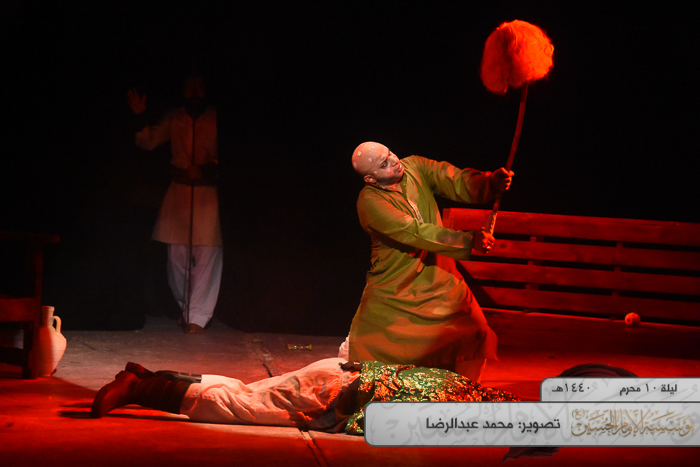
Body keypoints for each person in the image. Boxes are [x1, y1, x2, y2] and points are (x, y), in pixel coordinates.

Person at [342, 142, 514, 382]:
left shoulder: (415, 166)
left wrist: (488, 183)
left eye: (390, 153)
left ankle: (465, 391)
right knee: (374, 342)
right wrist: (467, 240)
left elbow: (453, 179)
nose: (394, 161)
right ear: (370, 179)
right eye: (384, 164)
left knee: (474, 329)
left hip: (438, 271)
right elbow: (414, 232)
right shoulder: (370, 202)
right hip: (398, 281)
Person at [90, 358, 521, 434]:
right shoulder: (452, 410)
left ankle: (149, 376)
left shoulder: (464, 386)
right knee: (235, 406)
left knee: (244, 392)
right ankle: (139, 389)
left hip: (335, 373)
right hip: (330, 394)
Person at [127, 75, 222, 334]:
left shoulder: (215, 118)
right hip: (179, 196)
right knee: (176, 259)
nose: (194, 92)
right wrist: (140, 116)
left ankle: (198, 318)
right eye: (190, 86)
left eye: (199, 86)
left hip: (207, 196)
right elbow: (148, 141)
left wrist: (206, 169)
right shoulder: (175, 117)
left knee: (206, 256)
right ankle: (186, 309)